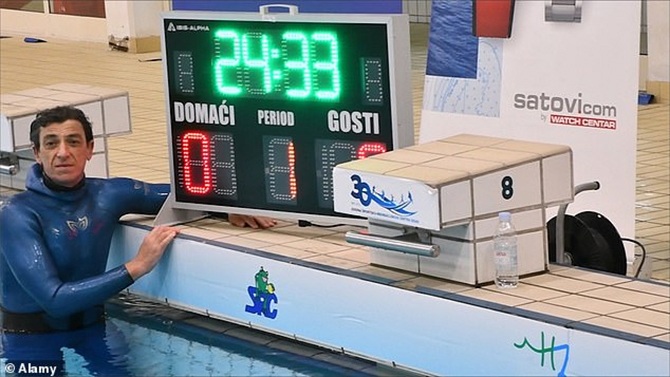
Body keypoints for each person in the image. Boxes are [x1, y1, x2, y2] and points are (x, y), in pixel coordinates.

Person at [0, 105, 276, 336]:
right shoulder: (17, 214)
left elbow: (180, 192)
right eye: (51, 144)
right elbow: (55, 301)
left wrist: (225, 205)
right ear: (36, 153)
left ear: (90, 149)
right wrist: (137, 266)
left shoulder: (107, 195)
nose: (62, 152)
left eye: (73, 141)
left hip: (94, 329)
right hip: (30, 341)